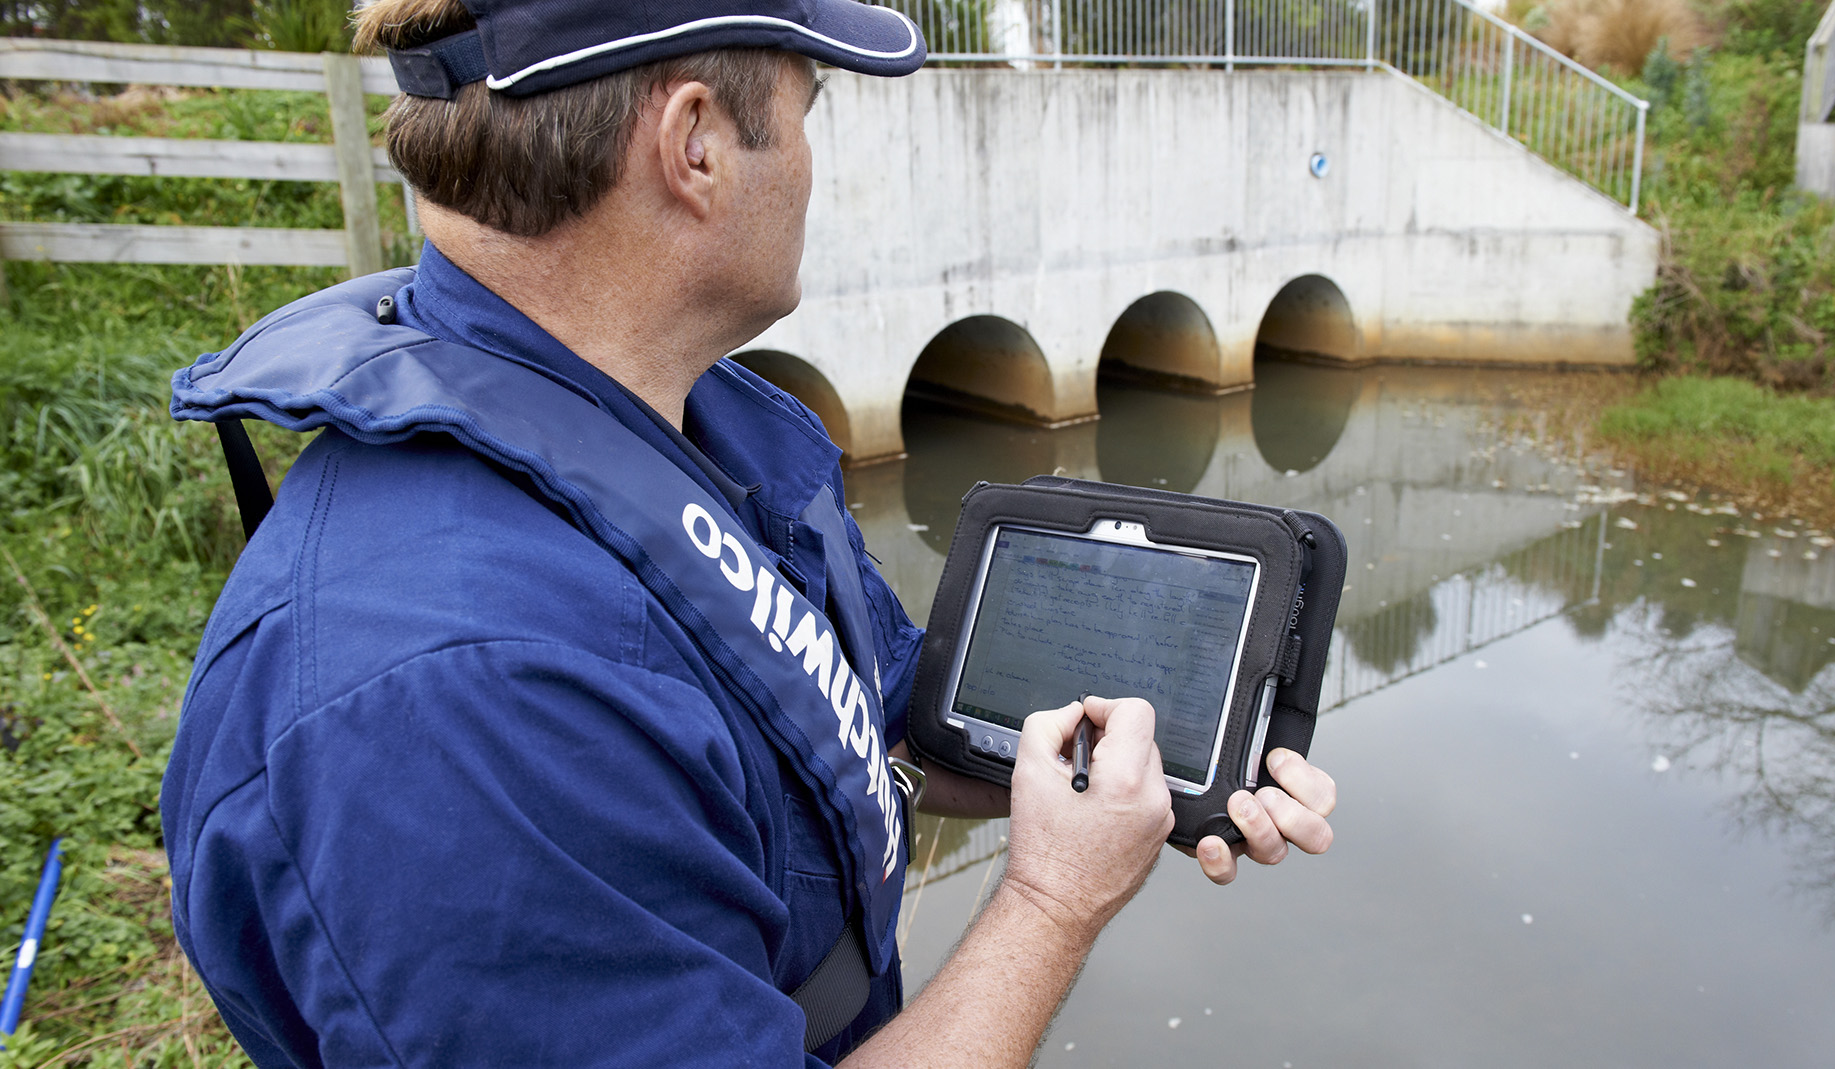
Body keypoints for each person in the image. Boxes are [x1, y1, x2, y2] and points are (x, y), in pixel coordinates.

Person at [159, 1, 1339, 1065]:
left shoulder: (699, 421)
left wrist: (1112, 782)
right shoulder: (461, 709)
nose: (817, 167)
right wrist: (1050, 900)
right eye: (808, 111)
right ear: (697, 145)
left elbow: (868, 725)